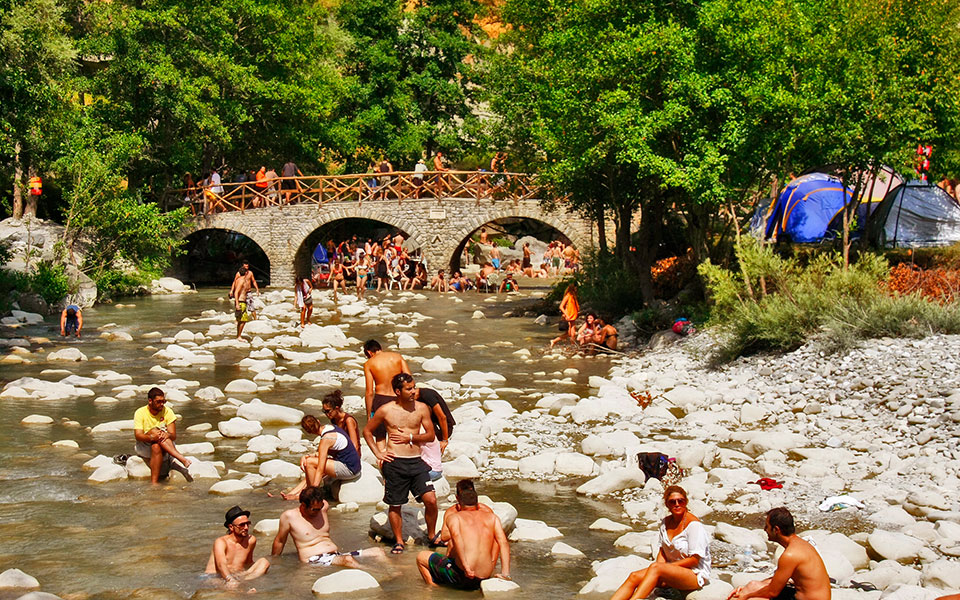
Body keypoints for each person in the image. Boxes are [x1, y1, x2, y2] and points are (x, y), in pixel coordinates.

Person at [362, 373, 442, 554]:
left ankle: (431, 536)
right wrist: (378, 453)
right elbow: (367, 431)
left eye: (413, 387)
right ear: (398, 391)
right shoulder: (386, 410)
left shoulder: (421, 408)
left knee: (431, 499)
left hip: (416, 462)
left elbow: (430, 435)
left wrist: (411, 437)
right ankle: (399, 541)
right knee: (395, 503)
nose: (414, 391)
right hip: (395, 462)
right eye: (409, 389)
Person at [610, 486, 711, 600]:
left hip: (694, 574)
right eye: (672, 502)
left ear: (686, 502)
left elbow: (694, 560)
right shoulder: (665, 522)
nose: (677, 504)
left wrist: (663, 568)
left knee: (656, 568)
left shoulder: (693, 525)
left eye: (680, 501)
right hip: (670, 571)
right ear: (667, 505)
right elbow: (663, 550)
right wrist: (660, 570)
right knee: (634, 576)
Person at [416, 479, 511, 590]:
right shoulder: (492, 517)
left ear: (458, 500)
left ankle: (433, 589)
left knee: (421, 557)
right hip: (484, 576)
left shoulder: (455, 517)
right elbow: (503, 543)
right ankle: (503, 574)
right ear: (477, 501)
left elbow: (456, 539)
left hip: (462, 575)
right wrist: (506, 574)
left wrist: (466, 568)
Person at [727, 508, 831, 600]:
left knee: (753, 598)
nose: (764, 529)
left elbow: (772, 592)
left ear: (776, 529)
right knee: (752, 586)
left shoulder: (790, 555)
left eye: (767, 526)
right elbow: (777, 580)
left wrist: (747, 595)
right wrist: (747, 589)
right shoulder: (800, 544)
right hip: (802, 594)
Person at [272, 486, 386, 566]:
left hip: (335, 555)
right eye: (314, 509)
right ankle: (377, 576)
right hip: (314, 560)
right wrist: (274, 561)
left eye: (320, 508)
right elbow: (280, 541)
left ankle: (396, 572)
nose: (318, 511)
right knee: (348, 560)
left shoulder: (324, 507)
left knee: (378, 551)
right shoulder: (289, 516)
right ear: (303, 505)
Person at [279, 411, 362, 500]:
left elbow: (320, 469)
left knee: (310, 463)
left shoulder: (325, 439)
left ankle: (311, 496)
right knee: (310, 461)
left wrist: (314, 488)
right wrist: (306, 456)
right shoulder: (331, 427)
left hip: (350, 469)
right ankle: (294, 494)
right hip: (353, 465)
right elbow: (322, 454)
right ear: (318, 421)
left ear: (308, 432)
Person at [133, 387, 192, 484]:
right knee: (154, 434)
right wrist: (152, 437)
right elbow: (138, 435)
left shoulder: (167, 411)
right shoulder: (140, 412)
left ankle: (154, 483)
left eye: (163, 401)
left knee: (158, 438)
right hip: (145, 446)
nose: (162, 404)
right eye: (158, 402)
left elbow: (173, 436)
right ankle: (181, 458)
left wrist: (166, 434)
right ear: (150, 401)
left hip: (165, 445)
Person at [205, 506, 270, 587]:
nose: (246, 527)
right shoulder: (221, 542)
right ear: (231, 527)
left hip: (238, 576)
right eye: (242, 525)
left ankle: (242, 584)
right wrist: (230, 579)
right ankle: (242, 590)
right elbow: (221, 565)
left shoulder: (251, 540)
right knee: (232, 586)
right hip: (216, 577)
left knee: (264, 562)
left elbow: (248, 563)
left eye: (247, 523)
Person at [363, 339, 412, 440]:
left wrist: (369, 415)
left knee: (380, 436)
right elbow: (409, 378)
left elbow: (369, 392)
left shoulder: (369, 364)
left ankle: (382, 455)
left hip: (381, 400)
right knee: (398, 433)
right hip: (398, 398)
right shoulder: (398, 357)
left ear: (369, 352)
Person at [410, 379, 455, 481]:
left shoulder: (427, 395)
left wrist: (444, 440)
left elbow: (442, 417)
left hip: (444, 427)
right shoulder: (418, 398)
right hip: (434, 424)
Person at [550, 283, 580, 348]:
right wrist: (566, 314)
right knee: (569, 333)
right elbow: (561, 306)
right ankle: (554, 341)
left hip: (573, 316)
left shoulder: (574, 296)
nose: (576, 289)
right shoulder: (568, 296)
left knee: (573, 333)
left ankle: (572, 345)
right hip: (568, 316)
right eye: (575, 288)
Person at [232, 265, 253, 340]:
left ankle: (238, 335)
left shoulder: (237, 280)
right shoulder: (241, 281)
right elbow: (236, 292)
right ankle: (239, 336)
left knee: (240, 320)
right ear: (246, 273)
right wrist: (237, 304)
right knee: (243, 320)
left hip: (240, 302)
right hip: (241, 302)